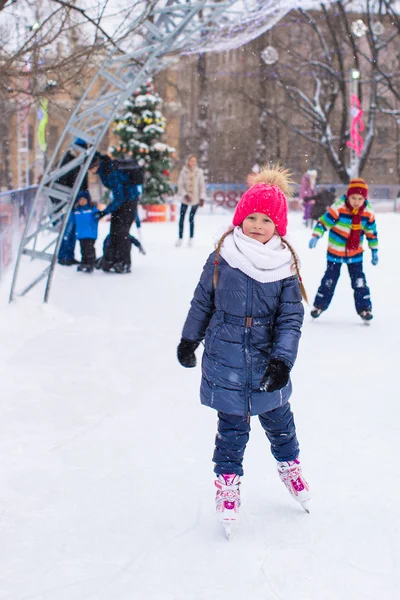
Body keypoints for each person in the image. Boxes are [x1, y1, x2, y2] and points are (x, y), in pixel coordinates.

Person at [176, 166, 310, 534]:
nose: (256, 224)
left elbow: (290, 320)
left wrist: (282, 361)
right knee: (231, 430)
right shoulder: (224, 255)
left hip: (268, 363)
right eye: (250, 216)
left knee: (281, 424)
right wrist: (190, 339)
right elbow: (203, 301)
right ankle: (228, 487)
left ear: (277, 225)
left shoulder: (285, 265)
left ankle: (290, 467)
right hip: (227, 359)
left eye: (265, 219)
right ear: (240, 217)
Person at [309, 177, 378, 323]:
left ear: (364, 198)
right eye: (353, 197)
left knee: (359, 282)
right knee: (329, 281)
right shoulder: (338, 208)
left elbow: (371, 233)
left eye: (360, 198)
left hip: (356, 255)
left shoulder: (367, 213)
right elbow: (324, 222)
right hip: (335, 253)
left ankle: (365, 308)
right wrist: (316, 235)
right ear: (348, 195)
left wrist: (374, 250)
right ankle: (319, 306)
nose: (356, 202)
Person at [89, 153, 141, 273]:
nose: (90, 172)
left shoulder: (110, 171)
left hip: (128, 202)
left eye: (90, 169)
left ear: (94, 165)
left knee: (122, 233)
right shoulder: (105, 168)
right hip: (124, 202)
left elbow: (120, 197)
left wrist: (104, 212)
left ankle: (125, 263)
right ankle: (113, 260)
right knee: (114, 231)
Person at [57, 138, 90, 266]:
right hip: (68, 201)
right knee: (68, 229)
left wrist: (85, 196)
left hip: (76, 201)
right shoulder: (69, 162)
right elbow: (62, 182)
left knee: (73, 229)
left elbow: (83, 183)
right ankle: (64, 256)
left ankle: (69, 255)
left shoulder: (80, 162)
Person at [176, 155, 206, 247]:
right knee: (181, 218)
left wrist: (202, 197)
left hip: (195, 199)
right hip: (185, 199)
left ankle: (191, 238)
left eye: (195, 161)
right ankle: (180, 238)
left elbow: (202, 185)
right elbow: (180, 185)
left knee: (191, 219)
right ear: (188, 161)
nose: (193, 162)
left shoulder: (199, 172)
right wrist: (185, 194)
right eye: (191, 160)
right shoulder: (183, 172)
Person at [71, 192, 99, 273]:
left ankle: (90, 262)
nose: (82, 201)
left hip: (90, 233)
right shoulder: (76, 210)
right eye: (80, 200)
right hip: (81, 234)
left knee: (89, 248)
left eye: (84, 199)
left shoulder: (92, 209)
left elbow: (98, 215)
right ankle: (84, 262)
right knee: (83, 249)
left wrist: (97, 215)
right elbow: (72, 219)